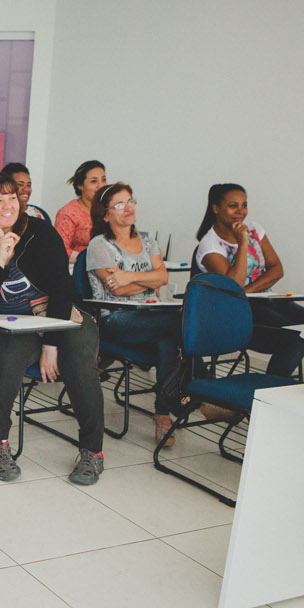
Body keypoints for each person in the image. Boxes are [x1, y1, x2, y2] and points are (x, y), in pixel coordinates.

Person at [0, 171, 106, 485]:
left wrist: (51, 343)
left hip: (59, 316)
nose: (7, 205)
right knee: (7, 358)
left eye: (12, 197)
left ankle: (92, 452)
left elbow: (61, 287)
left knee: (80, 362)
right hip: (13, 325)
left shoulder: (39, 231)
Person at [193, 182, 304, 378]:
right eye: (233, 205)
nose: (241, 211)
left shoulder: (255, 229)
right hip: (235, 310)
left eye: (244, 205)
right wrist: (243, 243)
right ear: (216, 208)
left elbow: (277, 269)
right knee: (295, 336)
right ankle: (269, 395)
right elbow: (234, 286)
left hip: (265, 300)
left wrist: (249, 290)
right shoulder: (209, 245)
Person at [84, 182, 181, 446]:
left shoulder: (148, 240)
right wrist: (148, 281)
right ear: (105, 215)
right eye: (119, 204)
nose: (128, 208)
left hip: (151, 318)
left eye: (131, 201)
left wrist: (129, 276)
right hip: (115, 320)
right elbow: (117, 288)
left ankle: (162, 414)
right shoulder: (99, 244)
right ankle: (198, 389)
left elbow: (162, 277)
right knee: (180, 321)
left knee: (169, 343)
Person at [55, 160, 106, 263]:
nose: (100, 186)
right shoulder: (67, 213)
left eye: (103, 180)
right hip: (78, 269)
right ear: (80, 185)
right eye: (94, 181)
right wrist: (90, 260)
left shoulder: (108, 209)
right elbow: (60, 251)